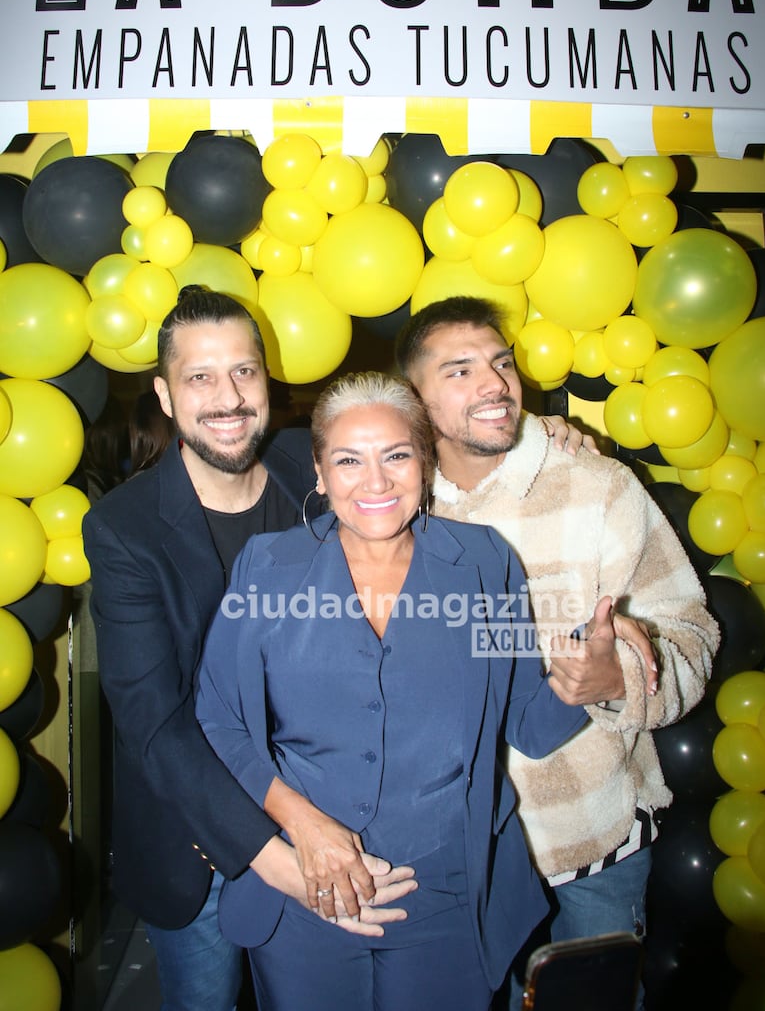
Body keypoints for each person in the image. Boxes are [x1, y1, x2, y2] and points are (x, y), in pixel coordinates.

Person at [195, 370, 594, 1011]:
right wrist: (306, 829)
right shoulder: (268, 568)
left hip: (450, 898)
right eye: (348, 460)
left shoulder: (485, 565)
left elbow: (528, 721)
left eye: (397, 455)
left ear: (425, 464)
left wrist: (580, 683)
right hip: (308, 891)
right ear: (320, 475)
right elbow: (220, 721)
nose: (375, 481)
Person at [81, 288, 419, 1011]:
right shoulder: (124, 528)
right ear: (166, 397)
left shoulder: (314, 464)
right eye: (200, 377)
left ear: (268, 380)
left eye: (244, 371)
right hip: (207, 840)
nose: (228, 397)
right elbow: (154, 722)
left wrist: (552, 436)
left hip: (338, 808)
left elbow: (418, 452)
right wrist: (279, 856)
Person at [394, 296, 721, 1009]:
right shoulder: (394, 507)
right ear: (414, 402)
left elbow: (690, 632)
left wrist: (620, 676)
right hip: (453, 860)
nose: (493, 383)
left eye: (500, 362)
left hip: (588, 843)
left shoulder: (596, 487)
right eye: (459, 370)